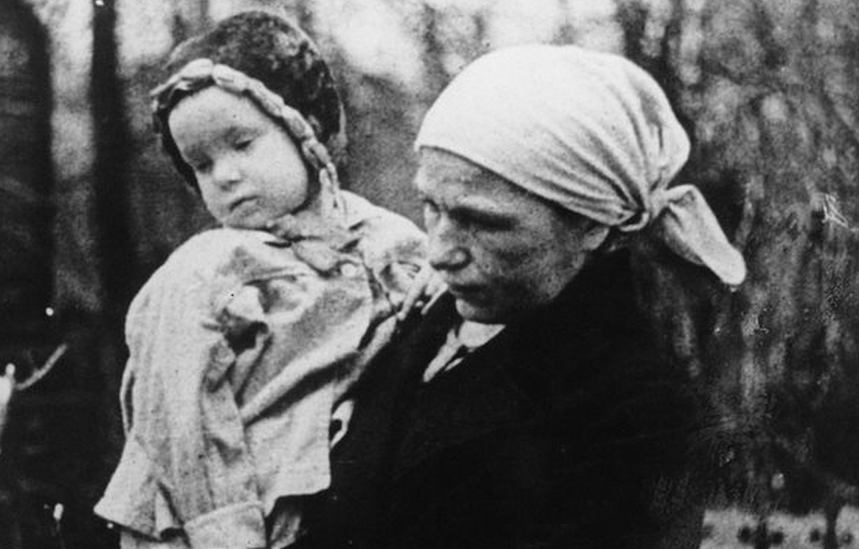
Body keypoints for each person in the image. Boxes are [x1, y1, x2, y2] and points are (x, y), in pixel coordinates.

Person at [301, 45, 747, 549]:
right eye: (431, 207)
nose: (440, 251)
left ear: (591, 224)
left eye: (484, 222)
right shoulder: (415, 324)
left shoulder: (636, 415)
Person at [93, 11, 429, 549]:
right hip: (222, 512)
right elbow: (182, 417)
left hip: (330, 494)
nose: (224, 174)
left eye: (242, 143)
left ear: (305, 130)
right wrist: (225, 534)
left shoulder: (382, 238)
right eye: (200, 163)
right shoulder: (207, 271)